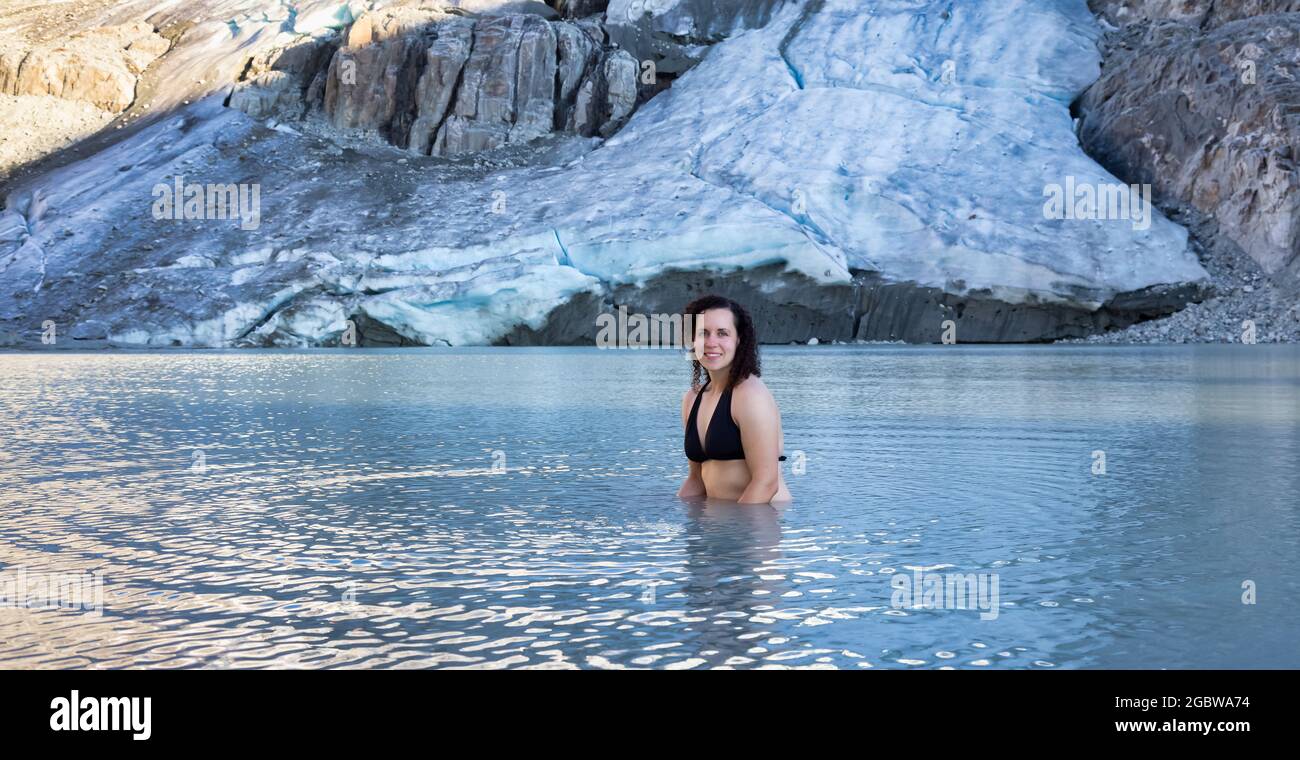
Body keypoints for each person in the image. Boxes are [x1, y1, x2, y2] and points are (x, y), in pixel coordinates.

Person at [677, 294, 791, 504]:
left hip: (758, 522)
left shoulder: (750, 395)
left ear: (739, 339)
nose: (711, 342)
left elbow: (766, 483)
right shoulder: (692, 398)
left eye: (722, 333)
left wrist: (733, 530)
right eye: (703, 333)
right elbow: (696, 481)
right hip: (717, 525)